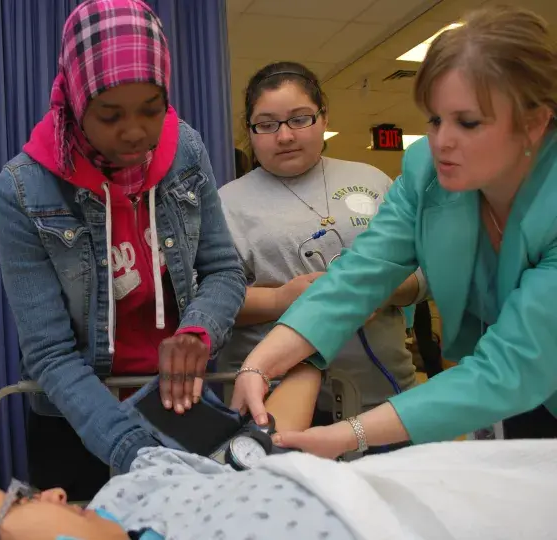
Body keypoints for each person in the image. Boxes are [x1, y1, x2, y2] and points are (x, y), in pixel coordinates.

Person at [231, 4, 557, 458]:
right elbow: (359, 275)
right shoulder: (426, 173)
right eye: (435, 119)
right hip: (506, 395)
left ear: (534, 123)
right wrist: (259, 364)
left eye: (467, 122)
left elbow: (513, 365)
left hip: (515, 375)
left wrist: (351, 434)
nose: (441, 141)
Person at [0, 0, 245, 501]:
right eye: (109, 115)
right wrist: (135, 448)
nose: (135, 132)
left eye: (152, 108)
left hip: (180, 405)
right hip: (77, 421)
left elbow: (223, 271)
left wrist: (196, 332)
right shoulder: (23, 190)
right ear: (75, 101)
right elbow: (49, 352)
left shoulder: (186, 151)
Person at [219, 62, 423, 427]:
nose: (284, 136)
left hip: (385, 397)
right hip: (276, 404)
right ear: (250, 131)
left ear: (324, 117)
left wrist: (377, 290)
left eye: (299, 119)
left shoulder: (371, 179)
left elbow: (424, 272)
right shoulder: (226, 204)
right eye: (267, 125)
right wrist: (281, 299)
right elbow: (207, 301)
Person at [0, 436, 557, 540]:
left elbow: (256, 448)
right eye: (15, 501)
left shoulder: (124, 498)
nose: (48, 492)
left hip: (370, 481)